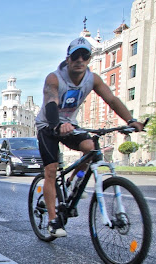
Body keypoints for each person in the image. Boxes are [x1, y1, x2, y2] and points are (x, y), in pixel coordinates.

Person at [35, 37, 144, 238]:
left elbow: (111, 99)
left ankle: (75, 182)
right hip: (48, 125)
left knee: (91, 148)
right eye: (75, 56)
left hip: (71, 124)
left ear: (89, 59)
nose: (80, 60)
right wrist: (57, 125)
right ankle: (52, 221)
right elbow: (51, 102)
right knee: (51, 171)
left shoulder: (92, 79)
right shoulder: (55, 78)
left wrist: (131, 120)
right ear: (68, 59)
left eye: (84, 56)